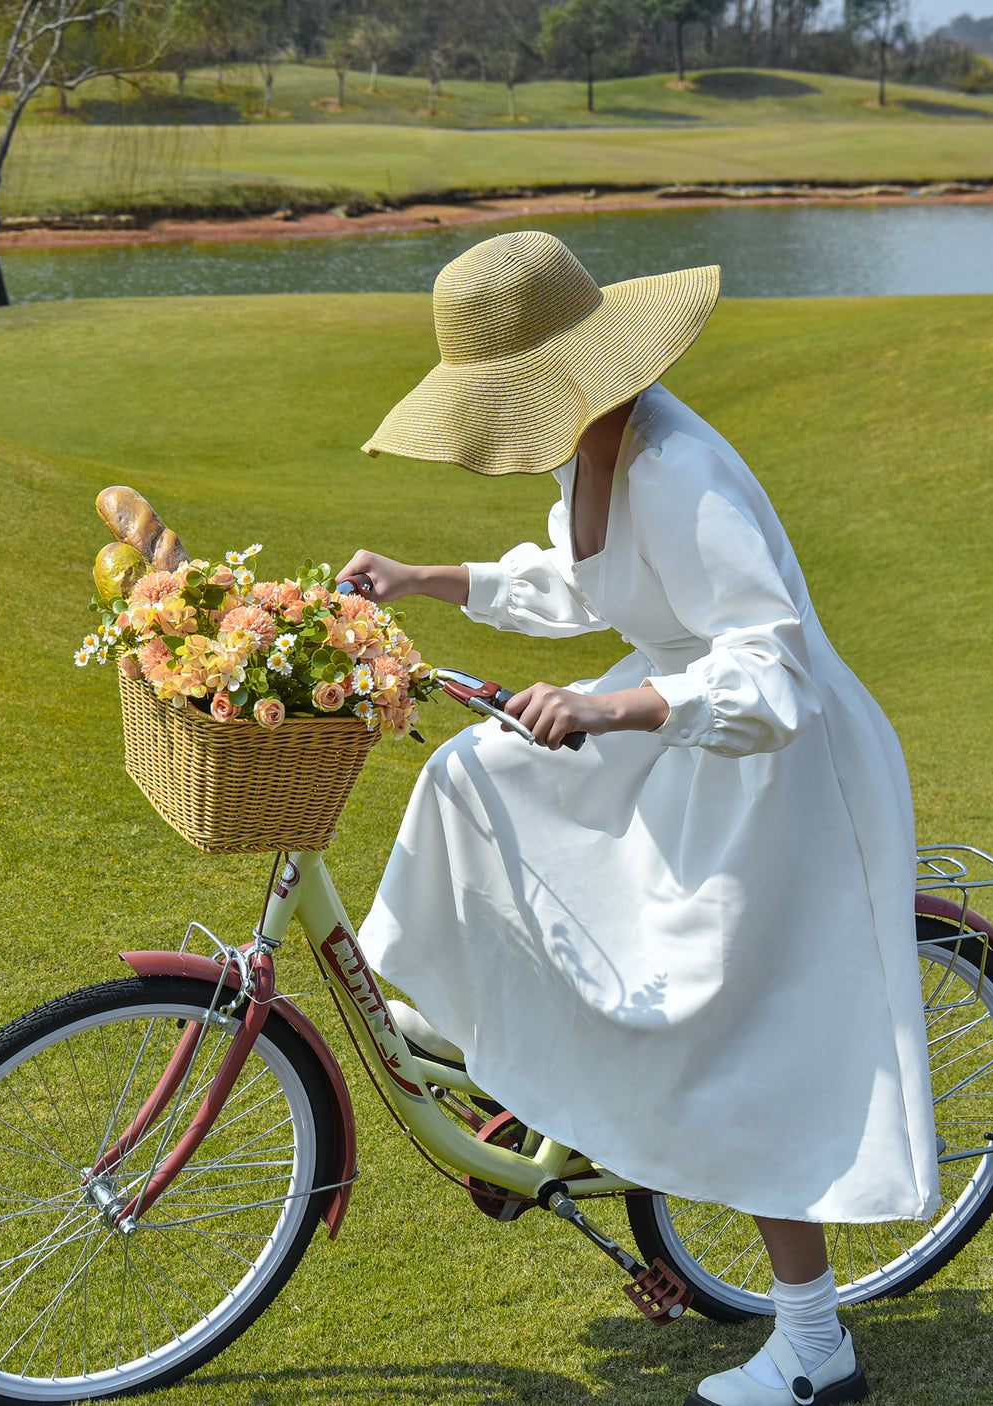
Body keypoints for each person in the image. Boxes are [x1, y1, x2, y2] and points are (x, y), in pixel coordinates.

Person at [338, 231, 939, 1406]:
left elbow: (770, 670)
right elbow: (583, 582)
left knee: (725, 1022)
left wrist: (608, 705)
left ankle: (816, 1348)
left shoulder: (679, 469)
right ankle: (460, 1013)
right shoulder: (592, 443)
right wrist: (427, 578)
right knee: (473, 771)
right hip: (662, 719)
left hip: (766, 755)